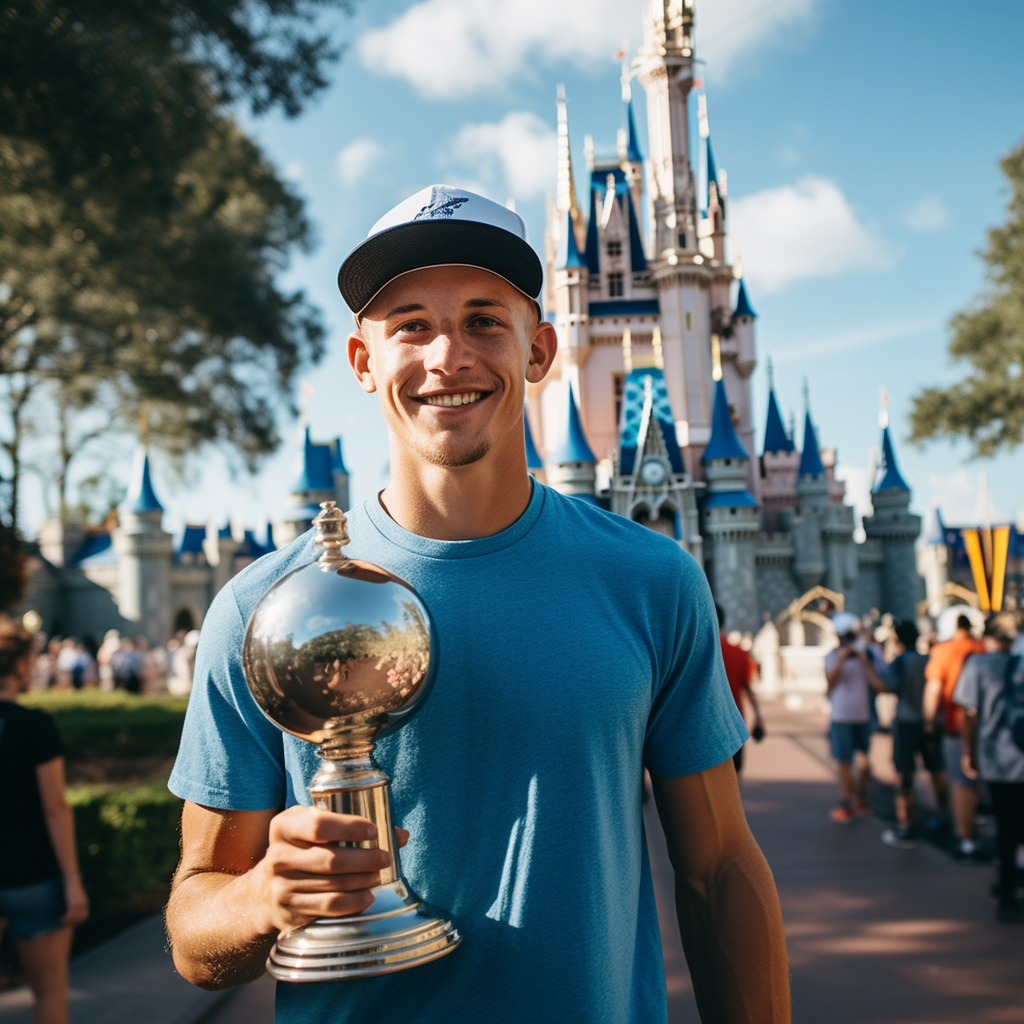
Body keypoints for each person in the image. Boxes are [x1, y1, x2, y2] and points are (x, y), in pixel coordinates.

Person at [164, 185, 790, 1023]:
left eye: (484, 321)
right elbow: (193, 930)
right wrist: (262, 898)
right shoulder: (261, 612)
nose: (448, 355)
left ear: (540, 350)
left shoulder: (651, 580)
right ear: (363, 362)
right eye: (411, 325)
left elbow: (718, 870)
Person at [0, 619, 89, 1024]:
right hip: (33, 877)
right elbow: (55, 807)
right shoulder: (34, 726)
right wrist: (72, 882)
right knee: (50, 992)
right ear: (19, 665)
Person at [954, 614, 1024, 922]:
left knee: (1006, 828)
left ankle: (1007, 894)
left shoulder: (979, 666)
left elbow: (970, 713)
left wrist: (968, 751)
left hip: (998, 759)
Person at [878, 620, 949, 848]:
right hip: (930, 723)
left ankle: (906, 824)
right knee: (937, 769)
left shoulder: (900, 662)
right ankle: (944, 815)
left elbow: (890, 686)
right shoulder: (927, 659)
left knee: (904, 773)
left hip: (906, 723)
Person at [924, 613, 986, 859]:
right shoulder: (981, 648)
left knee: (961, 781)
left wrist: (929, 723)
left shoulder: (943, 650)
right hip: (985, 726)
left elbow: (934, 687)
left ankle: (967, 837)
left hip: (956, 725)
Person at [825, 611, 884, 824]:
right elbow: (829, 685)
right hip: (841, 716)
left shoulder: (867, 655)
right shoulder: (832, 656)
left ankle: (858, 797)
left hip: (862, 716)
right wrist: (841, 661)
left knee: (863, 761)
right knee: (844, 763)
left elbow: (878, 684)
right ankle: (847, 801)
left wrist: (863, 659)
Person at [716, 603, 765, 775]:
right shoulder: (739, 653)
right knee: (735, 776)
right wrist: (758, 718)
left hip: (704, 726)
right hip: (734, 723)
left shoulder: (694, 654)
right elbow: (748, 689)